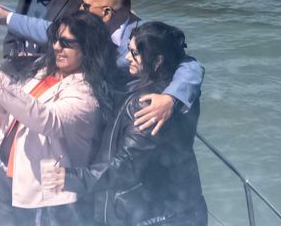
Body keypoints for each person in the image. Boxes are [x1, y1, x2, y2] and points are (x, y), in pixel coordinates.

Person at [0, 0, 202, 137]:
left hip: (123, 118)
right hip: (91, 111)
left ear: (108, 12)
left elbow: (190, 65)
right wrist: (6, 17)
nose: (79, 9)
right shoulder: (94, 27)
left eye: (86, 6)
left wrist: (170, 98)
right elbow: (53, 32)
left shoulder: (142, 36)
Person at [0, 11, 118, 226]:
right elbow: (18, 106)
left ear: (88, 48)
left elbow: (47, 121)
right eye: (55, 39)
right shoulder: (44, 71)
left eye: (66, 43)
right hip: (4, 173)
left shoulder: (87, 93)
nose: (57, 47)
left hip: (39, 190)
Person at [84, 23, 206, 226]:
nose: (126, 57)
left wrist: (75, 180)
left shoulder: (150, 103)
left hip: (160, 210)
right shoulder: (145, 76)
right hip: (172, 202)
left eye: (133, 53)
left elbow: (192, 66)